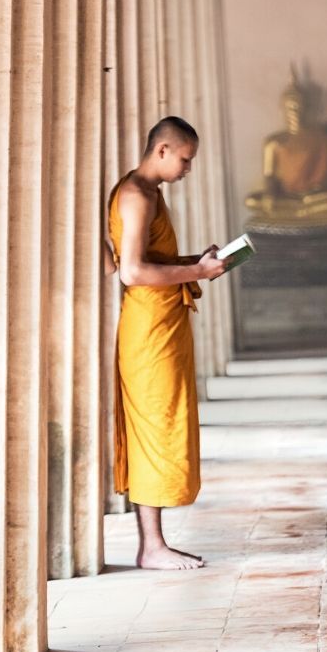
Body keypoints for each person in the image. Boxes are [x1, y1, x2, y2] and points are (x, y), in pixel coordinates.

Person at [107, 116, 226, 570]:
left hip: (162, 321)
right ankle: (151, 546)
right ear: (162, 150)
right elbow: (132, 271)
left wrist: (196, 261)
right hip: (147, 326)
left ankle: (154, 543)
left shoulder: (149, 192)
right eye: (185, 159)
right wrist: (196, 273)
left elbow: (150, 259)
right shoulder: (136, 194)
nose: (188, 169)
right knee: (154, 425)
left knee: (165, 421)